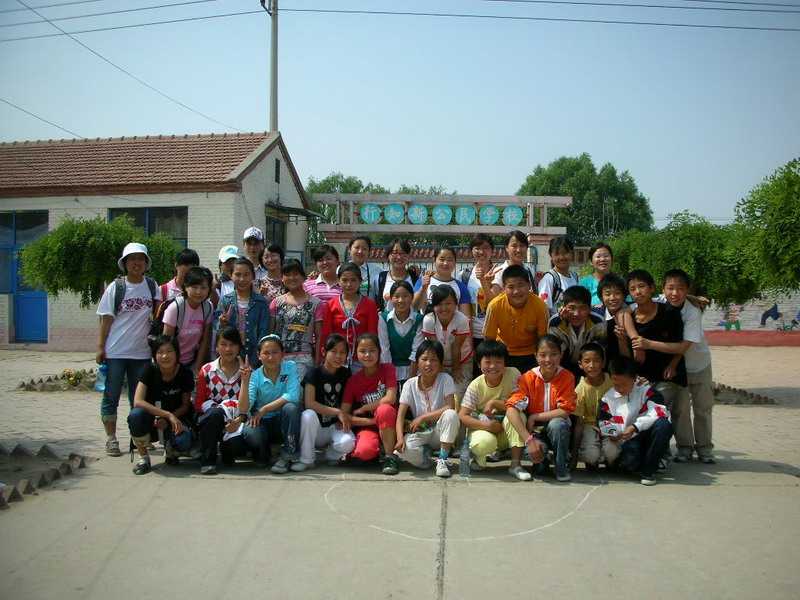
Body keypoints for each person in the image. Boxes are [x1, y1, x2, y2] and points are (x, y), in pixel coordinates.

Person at [96, 242, 162, 457]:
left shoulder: (152, 286)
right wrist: (100, 347)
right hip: (116, 352)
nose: (136, 263)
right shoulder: (116, 287)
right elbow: (106, 319)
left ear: (146, 263)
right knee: (111, 396)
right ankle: (111, 439)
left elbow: (157, 316)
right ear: (124, 263)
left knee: (139, 399)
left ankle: (139, 438)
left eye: (140, 259)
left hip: (142, 353)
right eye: (132, 259)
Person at [505, 334, 577, 482]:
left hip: (557, 428)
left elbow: (565, 410)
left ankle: (561, 466)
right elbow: (511, 409)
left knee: (557, 424)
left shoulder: (567, 377)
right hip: (535, 431)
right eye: (543, 355)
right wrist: (529, 440)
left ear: (561, 355)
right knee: (535, 460)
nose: (548, 360)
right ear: (536, 356)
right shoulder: (527, 378)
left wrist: (535, 416)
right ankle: (543, 460)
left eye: (554, 354)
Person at [661, 269, 715, 463]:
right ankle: (684, 448)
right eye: (671, 288)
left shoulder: (693, 311)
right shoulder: (659, 303)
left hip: (699, 365)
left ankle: (705, 450)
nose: (675, 293)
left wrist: (672, 364)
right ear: (663, 289)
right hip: (679, 369)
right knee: (680, 410)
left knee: (703, 409)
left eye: (681, 289)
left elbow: (687, 344)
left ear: (687, 290)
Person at [598, 356, 673, 486]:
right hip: (626, 443)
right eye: (616, 385)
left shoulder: (648, 392)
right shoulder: (607, 398)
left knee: (664, 425)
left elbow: (659, 412)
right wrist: (612, 434)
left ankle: (648, 472)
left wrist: (635, 427)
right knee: (629, 463)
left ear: (634, 378)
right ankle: (648, 461)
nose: (620, 389)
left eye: (624, 384)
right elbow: (604, 422)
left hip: (646, 436)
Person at [127, 335, 194, 475]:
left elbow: (185, 405)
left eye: (169, 351)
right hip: (152, 420)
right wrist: (165, 415)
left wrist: (169, 418)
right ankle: (143, 458)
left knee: (184, 441)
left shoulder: (185, 373)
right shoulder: (149, 370)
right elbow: (138, 401)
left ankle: (171, 451)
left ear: (177, 353)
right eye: (160, 352)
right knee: (135, 415)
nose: (165, 356)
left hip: (175, 419)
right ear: (154, 355)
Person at [395, 339, 460, 478]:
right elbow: (400, 415)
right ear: (417, 362)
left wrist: (423, 417)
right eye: (424, 359)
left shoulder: (445, 379)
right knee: (404, 450)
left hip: (439, 431)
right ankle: (425, 458)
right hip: (421, 432)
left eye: (434, 360)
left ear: (440, 363)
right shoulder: (409, 384)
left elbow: (450, 406)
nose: (429, 364)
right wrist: (400, 438)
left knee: (451, 414)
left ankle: (442, 459)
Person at [237, 335, 303, 473]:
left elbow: (293, 395)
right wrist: (245, 381)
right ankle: (265, 453)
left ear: (282, 354)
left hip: (283, 420)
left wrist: (265, 409)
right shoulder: (255, 376)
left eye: (275, 352)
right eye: (266, 353)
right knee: (251, 432)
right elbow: (243, 409)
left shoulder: (290, 367)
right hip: (262, 421)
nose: (271, 357)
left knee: (291, 408)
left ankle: (289, 455)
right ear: (259, 356)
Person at [627, 269, 688, 417]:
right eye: (632, 289)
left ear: (652, 288)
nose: (637, 292)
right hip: (643, 380)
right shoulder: (630, 317)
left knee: (655, 413)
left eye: (641, 286)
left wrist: (673, 364)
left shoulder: (669, 313)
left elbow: (680, 346)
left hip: (668, 378)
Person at [340, 334, 399, 475]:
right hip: (368, 427)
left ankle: (389, 457)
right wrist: (372, 421)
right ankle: (377, 450)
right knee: (364, 452)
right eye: (363, 351)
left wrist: (365, 407)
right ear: (356, 354)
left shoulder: (388, 369)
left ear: (379, 351)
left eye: (372, 350)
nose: (367, 355)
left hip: (390, 425)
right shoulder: (353, 381)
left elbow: (390, 398)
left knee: (385, 410)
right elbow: (344, 415)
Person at [458, 341, 521, 470]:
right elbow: (463, 415)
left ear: (505, 363)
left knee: (519, 417)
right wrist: (487, 426)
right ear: (479, 364)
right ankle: (479, 457)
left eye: (498, 362)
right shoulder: (475, 385)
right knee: (484, 443)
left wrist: (494, 403)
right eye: (487, 362)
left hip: (505, 431)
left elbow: (520, 403)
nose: (493, 366)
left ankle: (516, 464)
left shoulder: (513, 374)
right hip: (484, 429)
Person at [195, 326, 249, 475]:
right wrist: (223, 413)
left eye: (232, 344)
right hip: (212, 418)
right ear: (217, 347)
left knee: (239, 443)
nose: (228, 349)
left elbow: (251, 403)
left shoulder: (247, 371)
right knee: (215, 415)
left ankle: (228, 452)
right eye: (223, 344)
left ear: (239, 347)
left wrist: (237, 419)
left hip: (239, 420)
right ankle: (208, 462)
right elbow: (199, 403)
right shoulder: (206, 370)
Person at [298, 334, 356, 469]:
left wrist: (343, 415)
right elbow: (309, 403)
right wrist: (338, 412)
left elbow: (348, 399)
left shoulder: (346, 373)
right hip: (316, 427)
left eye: (342, 352)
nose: (338, 356)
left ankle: (331, 455)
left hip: (334, 426)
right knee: (307, 415)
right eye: (334, 351)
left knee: (348, 442)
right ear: (324, 351)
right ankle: (307, 459)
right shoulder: (313, 373)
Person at [483, 264, 549, 374]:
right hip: (504, 353)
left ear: (529, 285)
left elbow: (543, 339)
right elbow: (489, 339)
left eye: (521, 285)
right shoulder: (495, 306)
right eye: (511, 287)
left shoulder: (540, 306)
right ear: (504, 288)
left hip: (531, 355)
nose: (516, 291)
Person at [318, 262, 379, 370]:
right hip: (337, 359)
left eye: (353, 280)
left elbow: (372, 334)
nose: (349, 284)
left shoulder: (370, 305)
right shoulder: (331, 305)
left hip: (362, 359)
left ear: (360, 281)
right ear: (338, 281)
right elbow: (326, 334)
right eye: (345, 280)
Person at [270, 259, 322, 382]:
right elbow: (270, 334)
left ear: (303, 277)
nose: (292, 278)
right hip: (278, 359)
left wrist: (317, 361)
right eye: (287, 274)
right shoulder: (276, 303)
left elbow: (319, 336)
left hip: (303, 359)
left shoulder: (316, 304)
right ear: (282, 278)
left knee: (295, 391)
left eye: (295, 274)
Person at [421, 285, 473, 400]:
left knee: (458, 394)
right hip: (438, 360)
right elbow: (435, 348)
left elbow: (456, 347)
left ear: (456, 304)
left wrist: (456, 369)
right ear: (434, 306)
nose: (444, 308)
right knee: (437, 392)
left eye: (448, 303)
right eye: (439, 304)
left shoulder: (462, 319)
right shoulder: (429, 320)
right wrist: (439, 371)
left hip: (461, 360)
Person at [218, 257, 270, 368]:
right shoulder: (225, 301)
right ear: (231, 276)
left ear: (253, 276)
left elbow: (264, 332)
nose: (242, 279)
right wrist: (222, 324)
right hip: (230, 357)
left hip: (255, 358)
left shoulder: (261, 302)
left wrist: (258, 358)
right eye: (237, 274)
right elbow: (218, 333)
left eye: (246, 275)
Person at [161, 266, 214, 372]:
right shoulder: (175, 308)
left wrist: (197, 368)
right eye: (194, 287)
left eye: (203, 288)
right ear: (185, 286)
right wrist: (172, 369)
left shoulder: (208, 307)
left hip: (192, 362)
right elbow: (166, 343)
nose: (198, 292)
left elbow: (205, 340)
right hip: (171, 363)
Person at [570, 342, 614, 470]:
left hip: (612, 423)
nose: (592, 365)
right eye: (587, 361)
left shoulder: (612, 380)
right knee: (590, 456)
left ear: (603, 363)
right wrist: (574, 457)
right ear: (580, 364)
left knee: (612, 452)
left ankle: (610, 460)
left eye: (596, 361)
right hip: (590, 425)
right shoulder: (580, 389)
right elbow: (579, 424)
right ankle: (592, 459)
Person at [547, 285, 606, 379]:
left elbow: (599, 353)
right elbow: (556, 354)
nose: (577, 313)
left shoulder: (597, 322)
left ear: (589, 309)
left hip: (589, 366)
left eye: (582, 308)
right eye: (571, 308)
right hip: (563, 366)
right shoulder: (556, 323)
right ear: (563, 307)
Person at [378, 280, 424, 389]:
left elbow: (416, 351)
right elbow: (384, 351)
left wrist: (411, 382)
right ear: (391, 299)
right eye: (396, 296)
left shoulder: (419, 320)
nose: (401, 300)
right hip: (390, 370)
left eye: (405, 296)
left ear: (412, 297)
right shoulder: (383, 319)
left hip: (414, 371)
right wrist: (390, 379)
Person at [457, 233, 495, 358]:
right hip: (471, 334)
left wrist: (484, 281)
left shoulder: (499, 273)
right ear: (471, 251)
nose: (481, 252)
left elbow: (495, 303)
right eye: (477, 248)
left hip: (494, 333)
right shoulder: (464, 275)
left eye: (485, 248)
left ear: (492, 251)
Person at [412, 245, 471, 316]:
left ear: (455, 262)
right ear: (434, 260)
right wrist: (423, 289)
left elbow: (465, 316)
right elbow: (415, 307)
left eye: (449, 260)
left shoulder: (461, 286)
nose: (445, 263)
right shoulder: (423, 281)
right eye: (442, 259)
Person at [596, 273, 640, 364]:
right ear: (601, 297)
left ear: (624, 295)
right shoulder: (597, 316)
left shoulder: (635, 311)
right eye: (607, 294)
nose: (612, 298)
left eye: (617, 293)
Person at [486, 230, 537, 304]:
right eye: (514, 246)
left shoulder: (529, 270)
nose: (518, 250)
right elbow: (492, 301)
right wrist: (486, 284)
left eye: (522, 245)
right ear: (507, 248)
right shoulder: (499, 271)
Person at [372, 238, 419, 312]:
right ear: (388, 256)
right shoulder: (380, 279)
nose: (399, 257)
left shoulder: (416, 278)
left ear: (408, 256)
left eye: (403, 253)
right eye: (394, 253)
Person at [537, 236, 579, 316]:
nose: (562, 257)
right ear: (551, 256)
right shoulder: (548, 279)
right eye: (557, 254)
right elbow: (543, 310)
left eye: (565, 253)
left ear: (572, 254)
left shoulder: (575, 277)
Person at [579, 243, 613, 307]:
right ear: (591, 262)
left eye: (606, 256)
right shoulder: (584, 283)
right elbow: (579, 305)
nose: (602, 259)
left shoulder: (618, 281)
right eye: (598, 256)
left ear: (612, 259)